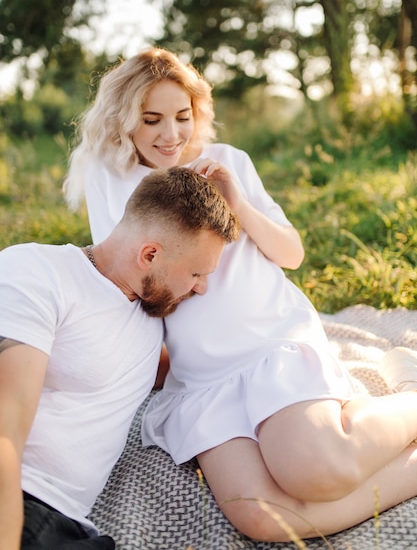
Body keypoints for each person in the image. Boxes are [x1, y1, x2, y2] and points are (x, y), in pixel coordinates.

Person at [64, 46, 417, 543]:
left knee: (316, 470)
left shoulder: (227, 162)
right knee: (261, 518)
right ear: (124, 121)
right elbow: (129, 277)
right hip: (204, 375)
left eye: (182, 116)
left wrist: (239, 204)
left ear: (198, 112)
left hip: (269, 340)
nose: (170, 135)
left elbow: (291, 253)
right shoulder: (111, 177)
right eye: (151, 120)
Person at [0, 166, 240, 550]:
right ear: (149, 254)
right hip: (19, 502)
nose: (202, 287)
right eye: (196, 272)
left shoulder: (150, 318)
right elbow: (4, 431)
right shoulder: (37, 274)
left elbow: (198, 366)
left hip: (71, 528)